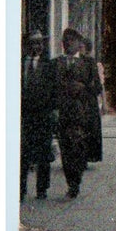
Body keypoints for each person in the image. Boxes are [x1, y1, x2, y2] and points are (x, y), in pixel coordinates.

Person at [56, 28, 101, 198]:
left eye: (71, 41)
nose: (68, 44)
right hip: (64, 113)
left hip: (82, 114)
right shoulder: (57, 63)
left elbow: (97, 87)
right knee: (65, 149)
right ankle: (71, 182)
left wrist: (84, 88)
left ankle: (75, 182)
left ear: (78, 43)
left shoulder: (88, 63)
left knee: (78, 148)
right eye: (65, 41)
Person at [21, 31, 57, 201]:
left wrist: (52, 111)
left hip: (43, 115)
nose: (37, 47)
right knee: (23, 154)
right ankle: (20, 189)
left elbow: (54, 91)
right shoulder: (19, 64)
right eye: (33, 43)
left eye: (39, 43)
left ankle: (42, 189)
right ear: (27, 46)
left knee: (43, 154)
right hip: (25, 115)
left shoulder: (48, 65)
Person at [81, 38, 104, 163]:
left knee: (89, 128)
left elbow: (98, 85)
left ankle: (87, 155)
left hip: (88, 101)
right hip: (86, 100)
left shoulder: (90, 62)